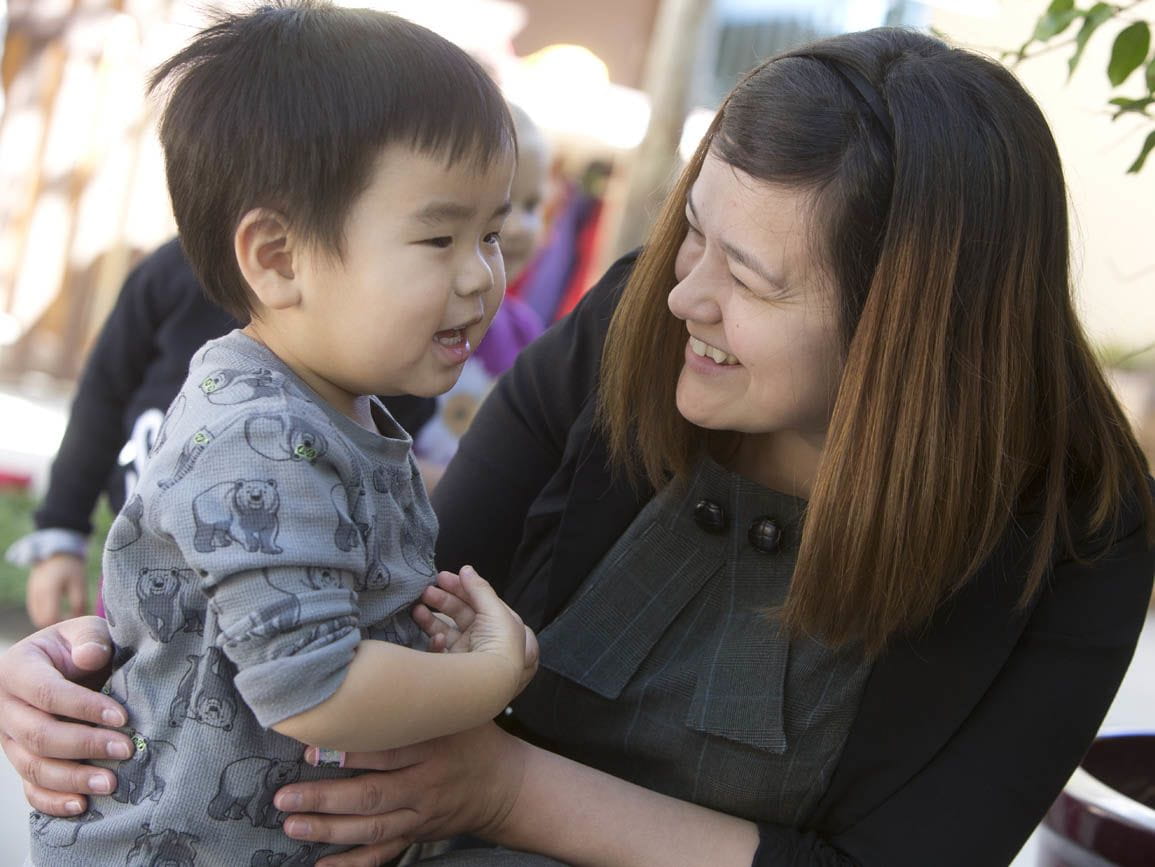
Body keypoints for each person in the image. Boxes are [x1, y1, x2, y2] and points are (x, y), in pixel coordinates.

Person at [4, 26, 1154, 867]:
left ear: (909, 335)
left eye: (745, 279)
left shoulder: (1080, 532)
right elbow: (364, 609)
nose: (683, 297)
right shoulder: (636, 327)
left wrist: (506, 792)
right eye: (690, 232)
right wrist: (105, 664)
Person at [13, 3, 537, 866]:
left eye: (489, 234)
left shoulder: (338, 407)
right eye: (440, 236)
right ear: (278, 256)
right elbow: (313, 683)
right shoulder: (259, 435)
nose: (482, 276)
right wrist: (488, 676)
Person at [4, 239, 236, 627]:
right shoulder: (172, 268)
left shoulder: (329, 278)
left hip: (257, 573)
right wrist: (61, 531)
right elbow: (102, 398)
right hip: (139, 563)